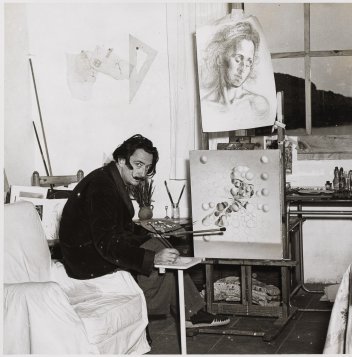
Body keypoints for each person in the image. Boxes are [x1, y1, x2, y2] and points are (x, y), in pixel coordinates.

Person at [59, 134, 230, 330]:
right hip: (86, 261)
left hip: (91, 251)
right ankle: (189, 312)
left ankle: (190, 312)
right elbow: (107, 243)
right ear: (121, 160)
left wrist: (151, 233)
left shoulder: (110, 178)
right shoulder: (102, 187)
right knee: (159, 256)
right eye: (138, 164)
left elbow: (121, 228)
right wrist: (152, 259)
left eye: (146, 168)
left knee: (160, 245)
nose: (142, 172)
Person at [200, 21, 270, 124]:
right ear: (220, 59)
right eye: (238, 59)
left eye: (248, 62)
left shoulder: (257, 104)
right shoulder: (205, 105)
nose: (242, 69)